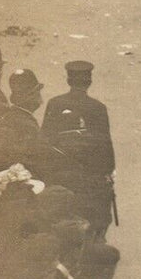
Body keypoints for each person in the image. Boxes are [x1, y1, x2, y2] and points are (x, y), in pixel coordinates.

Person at [41, 61, 117, 239]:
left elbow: (45, 139)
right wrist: (108, 173)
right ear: (89, 81)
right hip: (89, 177)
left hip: (60, 173)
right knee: (96, 215)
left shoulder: (55, 103)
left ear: (69, 80)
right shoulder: (98, 108)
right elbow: (105, 145)